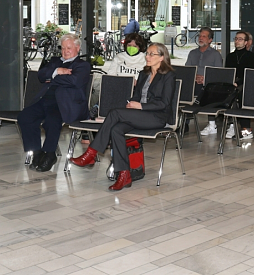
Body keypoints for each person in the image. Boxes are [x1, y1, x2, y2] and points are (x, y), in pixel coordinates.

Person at [69, 43, 176, 191]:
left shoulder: (168, 75)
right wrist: (132, 103)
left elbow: (165, 103)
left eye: (152, 54)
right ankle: (124, 174)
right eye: (147, 53)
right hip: (140, 115)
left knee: (115, 113)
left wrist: (140, 106)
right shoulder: (144, 73)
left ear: (162, 57)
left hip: (157, 117)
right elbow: (137, 96)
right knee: (116, 130)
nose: (147, 56)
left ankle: (91, 153)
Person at [17, 33, 91, 171]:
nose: (65, 51)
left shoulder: (83, 65)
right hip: (45, 100)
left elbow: (74, 81)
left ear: (77, 48)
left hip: (66, 104)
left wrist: (52, 77)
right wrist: (57, 71)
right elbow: (41, 75)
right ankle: (37, 152)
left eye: (69, 48)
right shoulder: (55, 62)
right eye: (63, 48)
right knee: (25, 117)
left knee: (52, 121)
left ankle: (50, 154)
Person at [185, 27, 224, 135]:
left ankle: (212, 124)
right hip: (194, 83)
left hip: (208, 84)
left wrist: (205, 78)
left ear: (210, 40)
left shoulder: (215, 55)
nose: (200, 38)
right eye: (200, 36)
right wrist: (195, 77)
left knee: (209, 91)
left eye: (204, 36)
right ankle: (184, 123)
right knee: (182, 90)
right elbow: (187, 70)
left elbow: (218, 73)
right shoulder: (192, 53)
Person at [225, 31, 254, 141]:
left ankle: (245, 128)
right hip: (232, 83)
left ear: (246, 42)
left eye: (240, 39)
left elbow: (249, 74)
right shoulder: (230, 56)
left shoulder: (251, 56)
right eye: (236, 39)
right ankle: (232, 124)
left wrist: (238, 83)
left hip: (245, 83)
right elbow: (228, 72)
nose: (237, 41)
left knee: (239, 94)